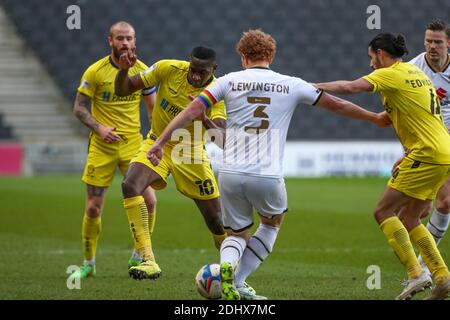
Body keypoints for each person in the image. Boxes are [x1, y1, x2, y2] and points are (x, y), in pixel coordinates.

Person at [146, 29, 390, 300]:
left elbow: (190, 112)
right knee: (272, 223)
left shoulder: (226, 81)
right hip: (266, 173)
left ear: (242, 55)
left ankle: (226, 267)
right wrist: (374, 118)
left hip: (229, 172)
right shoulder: (291, 83)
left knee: (235, 232)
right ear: (271, 55)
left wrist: (159, 143)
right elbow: (338, 105)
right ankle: (237, 280)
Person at [316, 32, 450, 300]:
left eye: (371, 57)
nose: (370, 64)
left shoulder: (392, 73)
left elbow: (350, 87)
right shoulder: (418, 76)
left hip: (426, 153)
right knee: (410, 217)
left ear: (381, 54)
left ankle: (416, 273)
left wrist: (309, 86)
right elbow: (389, 117)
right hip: (442, 153)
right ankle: (442, 277)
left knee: (383, 211)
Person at [114, 46, 228, 280]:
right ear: (188, 63)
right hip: (158, 144)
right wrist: (123, 71)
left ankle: (231, 268)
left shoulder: (217, 91)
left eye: (202, 72)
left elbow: (222, 140)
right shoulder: (167, 68)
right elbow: (123, 89)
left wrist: (204, 119)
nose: (196, 76)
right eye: (193, 70)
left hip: (191, 152)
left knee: (216, 221)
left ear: (214, 70)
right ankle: (146, 260)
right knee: (130, 185)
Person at [73, 21, 157, 279]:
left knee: (150, 202)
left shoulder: (143, 71)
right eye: (120, 38)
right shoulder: (96, 71)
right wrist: (99, 128)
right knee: (93, 208)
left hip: (133, 144)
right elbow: (79, 108)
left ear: (135, 41)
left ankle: (139, 256)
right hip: (102, 146)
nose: (125, 43)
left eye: (129, 39)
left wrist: (155, 142)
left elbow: (153, 111)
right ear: (110, 41)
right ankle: (88, 262)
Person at [407, 20, 450, 278]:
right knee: (418, 210)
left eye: (438, 42)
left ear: (449, 44)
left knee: (445, 202)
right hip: (425, 143)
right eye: (428, 41)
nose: (432, 47)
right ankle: (420, 268)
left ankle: (423, 268)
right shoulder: (413, 70)